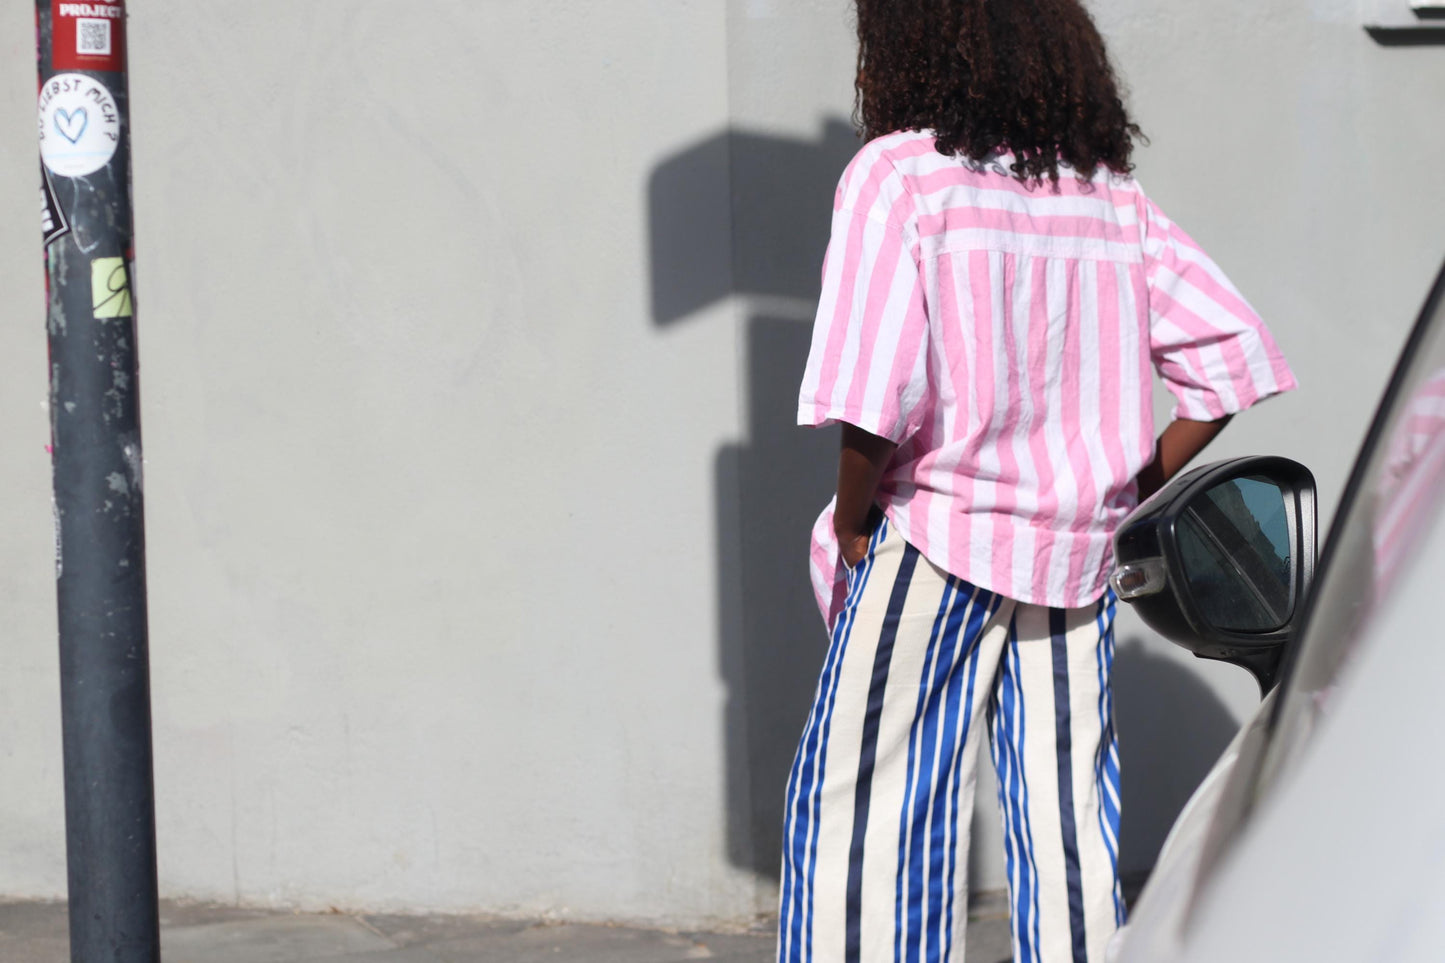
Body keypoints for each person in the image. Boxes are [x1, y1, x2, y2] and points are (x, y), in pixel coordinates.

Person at [777, 2, 1297, 962]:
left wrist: (852, 519)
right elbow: (1229, 357)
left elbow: (872, 392)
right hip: (1075, 553)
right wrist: (1123, 486)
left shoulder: (897, 174)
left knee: (870, 800)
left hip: (938, 535)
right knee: (1066, 820)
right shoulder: (1105, 193)